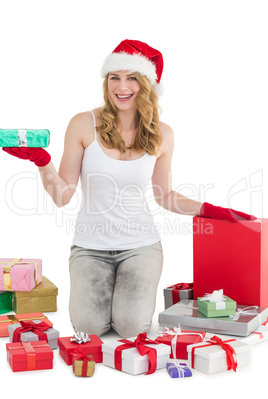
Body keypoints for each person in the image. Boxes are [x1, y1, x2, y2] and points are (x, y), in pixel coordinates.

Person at [2, 39, 255, 338]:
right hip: (89, 249)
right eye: (114, 77)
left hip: (141, 247)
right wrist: (42, 162)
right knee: (88, 328)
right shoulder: (84, 124)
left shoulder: (163, 134)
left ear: (147, 84)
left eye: (132, 77)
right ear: (106, 80)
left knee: (132, 327)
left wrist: (209, 210)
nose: (121, 87)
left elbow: (165, 195)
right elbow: (62, 196)